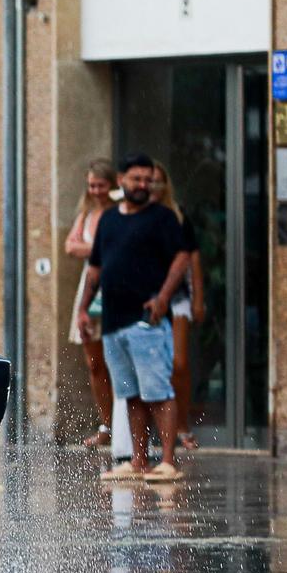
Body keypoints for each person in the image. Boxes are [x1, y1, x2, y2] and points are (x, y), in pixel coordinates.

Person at [75, 154, 189, 482]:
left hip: (147, 321)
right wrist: (83, 308)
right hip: (112, 321)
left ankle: (167, 461)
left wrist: (164, 297)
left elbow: (182, 257)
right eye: (136, 178)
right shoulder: (109, 220)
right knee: (130, 393)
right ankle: (138, 461)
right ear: (121, 180)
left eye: (147, 179)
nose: (142, 185)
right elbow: (95, 268)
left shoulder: (162, 218)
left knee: (157, 389)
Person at [150, 162, 207, 451]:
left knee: (178, 363)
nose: (154, 186)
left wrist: (198, 297)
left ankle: (182, 423)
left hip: (178, 297)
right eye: (150, 181)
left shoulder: (178, 216)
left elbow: (192, 258)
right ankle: (158, 430)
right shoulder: (137, 216)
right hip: (146, 297)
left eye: (159, 181)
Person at [63, 159, 117, 449]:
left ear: (112, 185)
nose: (96, 190)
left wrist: (92, 251)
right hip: (90, 287)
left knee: (118, 360)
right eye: (92, 185)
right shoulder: (87, 213)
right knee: (94, 362)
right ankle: (106, 424)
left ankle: (128, 427)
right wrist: (97, 250)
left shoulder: (118, 213)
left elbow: (113, 249)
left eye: (101, 185)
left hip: (115, 286)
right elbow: (69, 245)